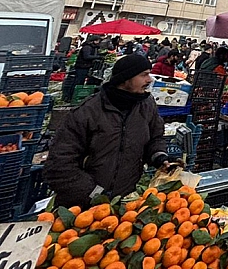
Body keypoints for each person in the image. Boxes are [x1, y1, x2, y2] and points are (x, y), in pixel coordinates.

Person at [45, 54, 169, 208]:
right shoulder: (87, 112)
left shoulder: (146, 105)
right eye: (144, 75)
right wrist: (95, 194)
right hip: (81, 206)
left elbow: (155, 137)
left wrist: (159, 156)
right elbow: (59, 165)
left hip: (122, 204)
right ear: (125, 79)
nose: (149, 80)